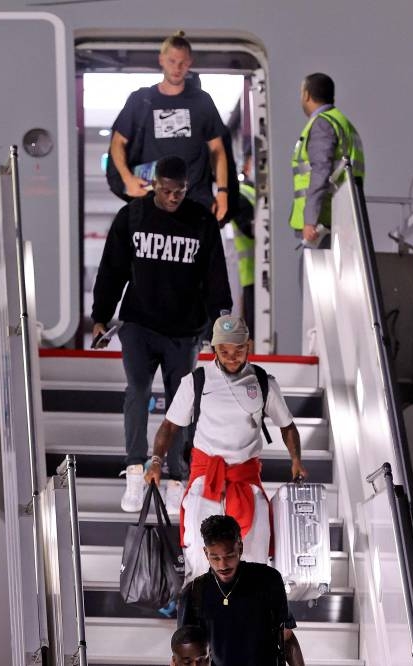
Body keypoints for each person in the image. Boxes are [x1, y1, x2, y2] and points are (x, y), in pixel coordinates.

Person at [91, 155, 232, 514]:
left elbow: (215, 276)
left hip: (184, 330)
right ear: (154, 185)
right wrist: (100, 317)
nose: (173, 198)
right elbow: (112, 269)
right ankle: (136, 469)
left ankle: (175, 476)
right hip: (139, 323)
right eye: (167, 191)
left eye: (179, 192)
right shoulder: (133, 216)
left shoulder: (200, 220)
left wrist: (222, 326)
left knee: (180, 401)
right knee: (137, 391)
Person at [145, 315, 307, 578]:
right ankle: (201, 614)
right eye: (224, 351)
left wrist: (296, 460)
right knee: (199, 557)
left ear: (249, 346)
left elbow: (287, 426)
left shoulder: (263, 382)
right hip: (205, 481)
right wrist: (155, 461)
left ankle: (251, 614)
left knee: (254, 557)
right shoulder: (196, 381)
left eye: (239, 350)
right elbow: (169, 426)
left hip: (246, 482)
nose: (232, 357)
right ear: (214, 349)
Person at [110, 31, 230, 220]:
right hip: (153, 197)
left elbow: (217, 150)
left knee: (196, 248)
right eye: (172, 61)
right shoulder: (141, 100)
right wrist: (128, 179)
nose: (177, 67)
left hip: (195, 198)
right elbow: (117, 142)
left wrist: (222, 191)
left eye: (182, 62)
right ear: (161, 60)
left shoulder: (202, 101)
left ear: (189, 62)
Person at [179, 515, 306, 666]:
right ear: (206, 553)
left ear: (240, 547)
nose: (223, 565)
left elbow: (287, 638)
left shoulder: (268, 580)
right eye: (215, 558)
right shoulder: (194, 593)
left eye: (229, 556)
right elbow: (184, 653)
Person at [290, 72, 365, 248]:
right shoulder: (343, 123)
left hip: (323, 224)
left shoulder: (322, 125)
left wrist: (310, 220)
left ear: (307, 95)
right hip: (340, 217)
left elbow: (320, 172)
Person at [229, 149, 257, 333]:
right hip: (252, 272)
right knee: (255, 325)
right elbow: (249, 229)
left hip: (256, 272)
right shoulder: (240, 194)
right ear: (246, 166)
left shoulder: (256, 193)